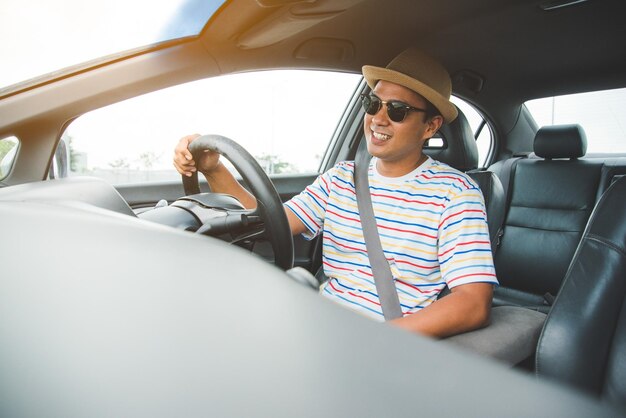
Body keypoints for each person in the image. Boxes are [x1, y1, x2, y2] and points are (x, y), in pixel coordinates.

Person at [173, 48, 498, 338]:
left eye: (397, 110)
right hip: (318, 326)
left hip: (386, 342)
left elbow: (472, 302)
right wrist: (215, 169)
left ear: (430, 127)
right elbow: (270, 222)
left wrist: (381, 340)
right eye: (372, 103)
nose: (378, 118)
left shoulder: (456, 193)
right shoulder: (342, 178)